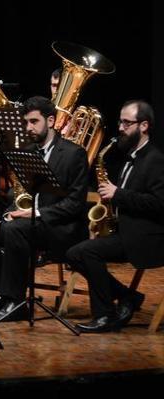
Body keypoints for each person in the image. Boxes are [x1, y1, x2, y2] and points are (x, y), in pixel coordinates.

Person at [0, 96, 88, 322]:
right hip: (35, 223)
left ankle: (16, 302)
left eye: (34, 122)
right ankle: (3, 294)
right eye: (26, 122)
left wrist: (37, 213)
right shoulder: (29, 150)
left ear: (50, 121)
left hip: (63, 228)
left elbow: (75, 204)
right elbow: (22, 193)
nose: (28, 127)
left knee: (16, 230)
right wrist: (10, 211)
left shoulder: (74, 154)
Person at [66, 100, 164, 333]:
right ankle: (127, 296)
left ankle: (105, 315)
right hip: (127, 230)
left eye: (127, 123)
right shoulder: (129, 156)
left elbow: (160, 204)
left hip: (148, 237)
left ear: (144, 126)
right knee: (73, 253)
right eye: (120, 121)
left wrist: (118, 194)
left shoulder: (157, 160)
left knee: (86, 252)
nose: (120, 127)